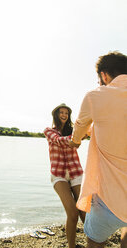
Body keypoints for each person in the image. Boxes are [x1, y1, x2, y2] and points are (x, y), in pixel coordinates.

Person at [69, 51, 127, 248]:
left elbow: (79, 130)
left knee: (95, 241)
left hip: (107, 198)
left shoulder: (96, 96)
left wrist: (75, 142)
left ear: (104, 75)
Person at [44, 103, 85, 248]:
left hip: (75, 172)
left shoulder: (73, 131)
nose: (64, 115)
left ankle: (92, 243)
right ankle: (71, 246)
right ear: (56, 115)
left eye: (66, 113)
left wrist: (79, 136)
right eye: (61, 112)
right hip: (59, 175)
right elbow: (59, 141)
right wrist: (74, 139)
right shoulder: (49, 131)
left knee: (85, 213)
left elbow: (80, 139)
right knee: (73, 213)